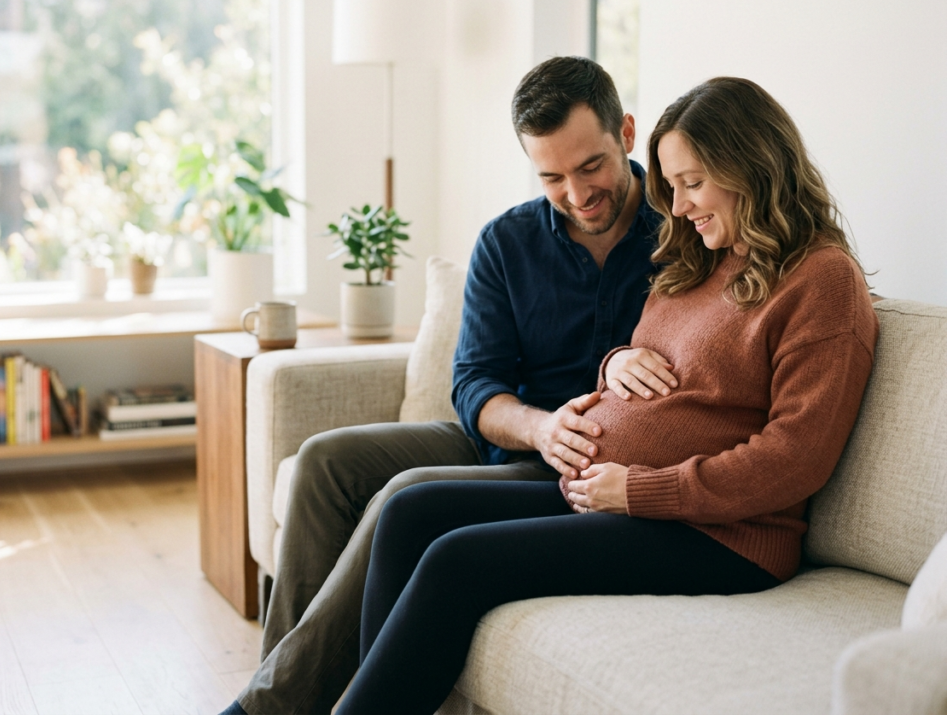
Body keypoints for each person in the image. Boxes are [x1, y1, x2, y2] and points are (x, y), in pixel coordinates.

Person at [333, 76, 880, 715]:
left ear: (753, 165)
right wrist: (616, 363)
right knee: (409, 513)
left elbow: (796, 458)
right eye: (672, 187)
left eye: (693, 183)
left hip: (722, 535)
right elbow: (666, 378)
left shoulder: (821, 280)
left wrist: (640, 490)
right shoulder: (701, 258)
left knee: (457, 560)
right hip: (614, 496)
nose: (676, 207)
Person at [225, 56, 663, 715]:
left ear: (626, 133)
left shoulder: (681, 235)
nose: (576, 193)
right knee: (324, 461)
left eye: (590, 166)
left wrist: (565, 437)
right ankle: (288, 688)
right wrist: (538, 426)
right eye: (551, 176)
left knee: (406, 494)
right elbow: (476, 382)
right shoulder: (506, 243)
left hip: (582, 465)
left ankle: (265, 709)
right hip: (514, 438)